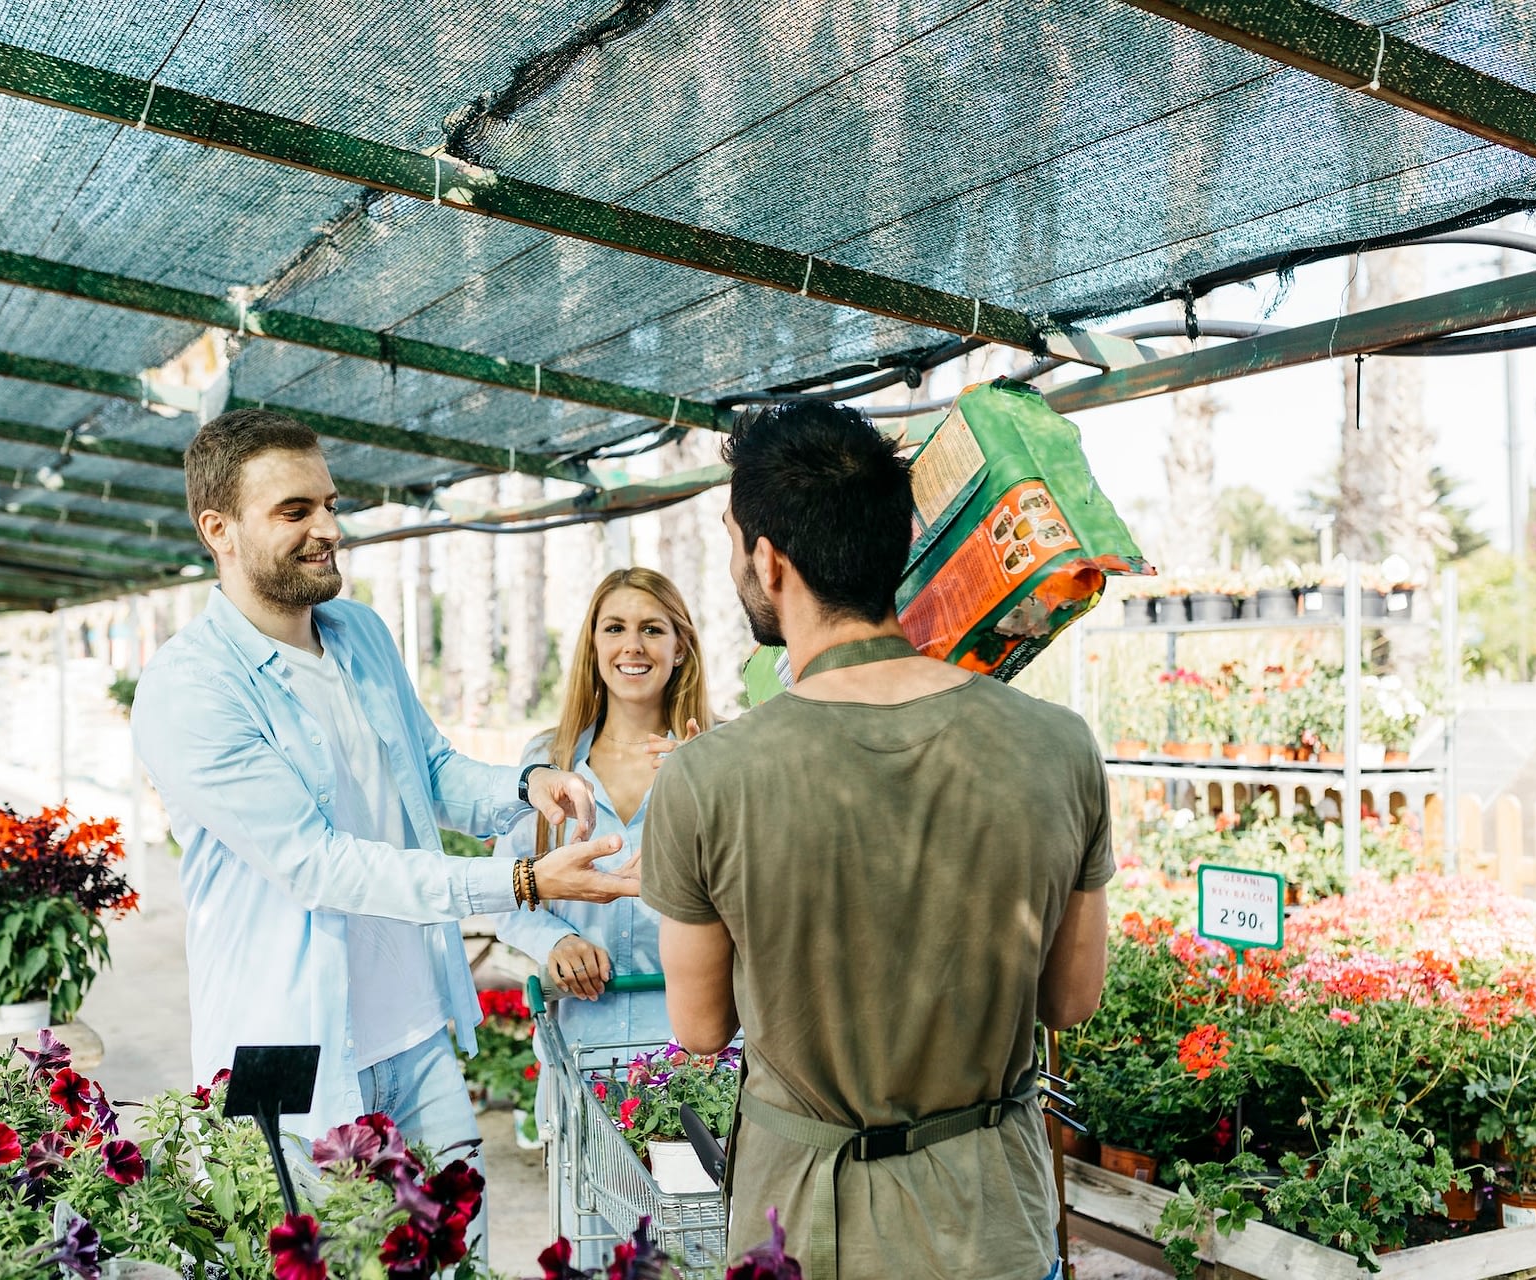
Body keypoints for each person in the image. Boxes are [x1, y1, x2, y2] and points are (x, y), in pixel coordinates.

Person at [641, 401, 1113, 1280]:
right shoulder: (1059, 745)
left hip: (809, 1229)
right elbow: (1071, 1000)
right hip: (992, 1222)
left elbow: (701, 1027)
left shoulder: (707, 780)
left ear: (768, 560)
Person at [131, 409, 640, 1162]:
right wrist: (523, 882)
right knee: (290, 1257)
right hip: (278, 1044)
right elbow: (318, 864)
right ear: (219, 531)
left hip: (412, 1027)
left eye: (331, 504)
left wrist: (528, 783)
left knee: (456, 1255)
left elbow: (427, 769)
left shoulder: (359, 633)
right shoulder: (190, 688)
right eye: (294, 511)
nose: (329, 528)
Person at [492, 566, 712, 1259]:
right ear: (593, 645)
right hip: (582, 1056)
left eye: (653, 628)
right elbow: (509, 888)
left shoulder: (716, 759)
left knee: (689, 1245)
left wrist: (708, 792)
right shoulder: (549, 763)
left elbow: (759, 896)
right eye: (614, 627)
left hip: (688, 1063)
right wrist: (554, 941)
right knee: (592, 1247)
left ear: (680, 646)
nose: (633, 645)